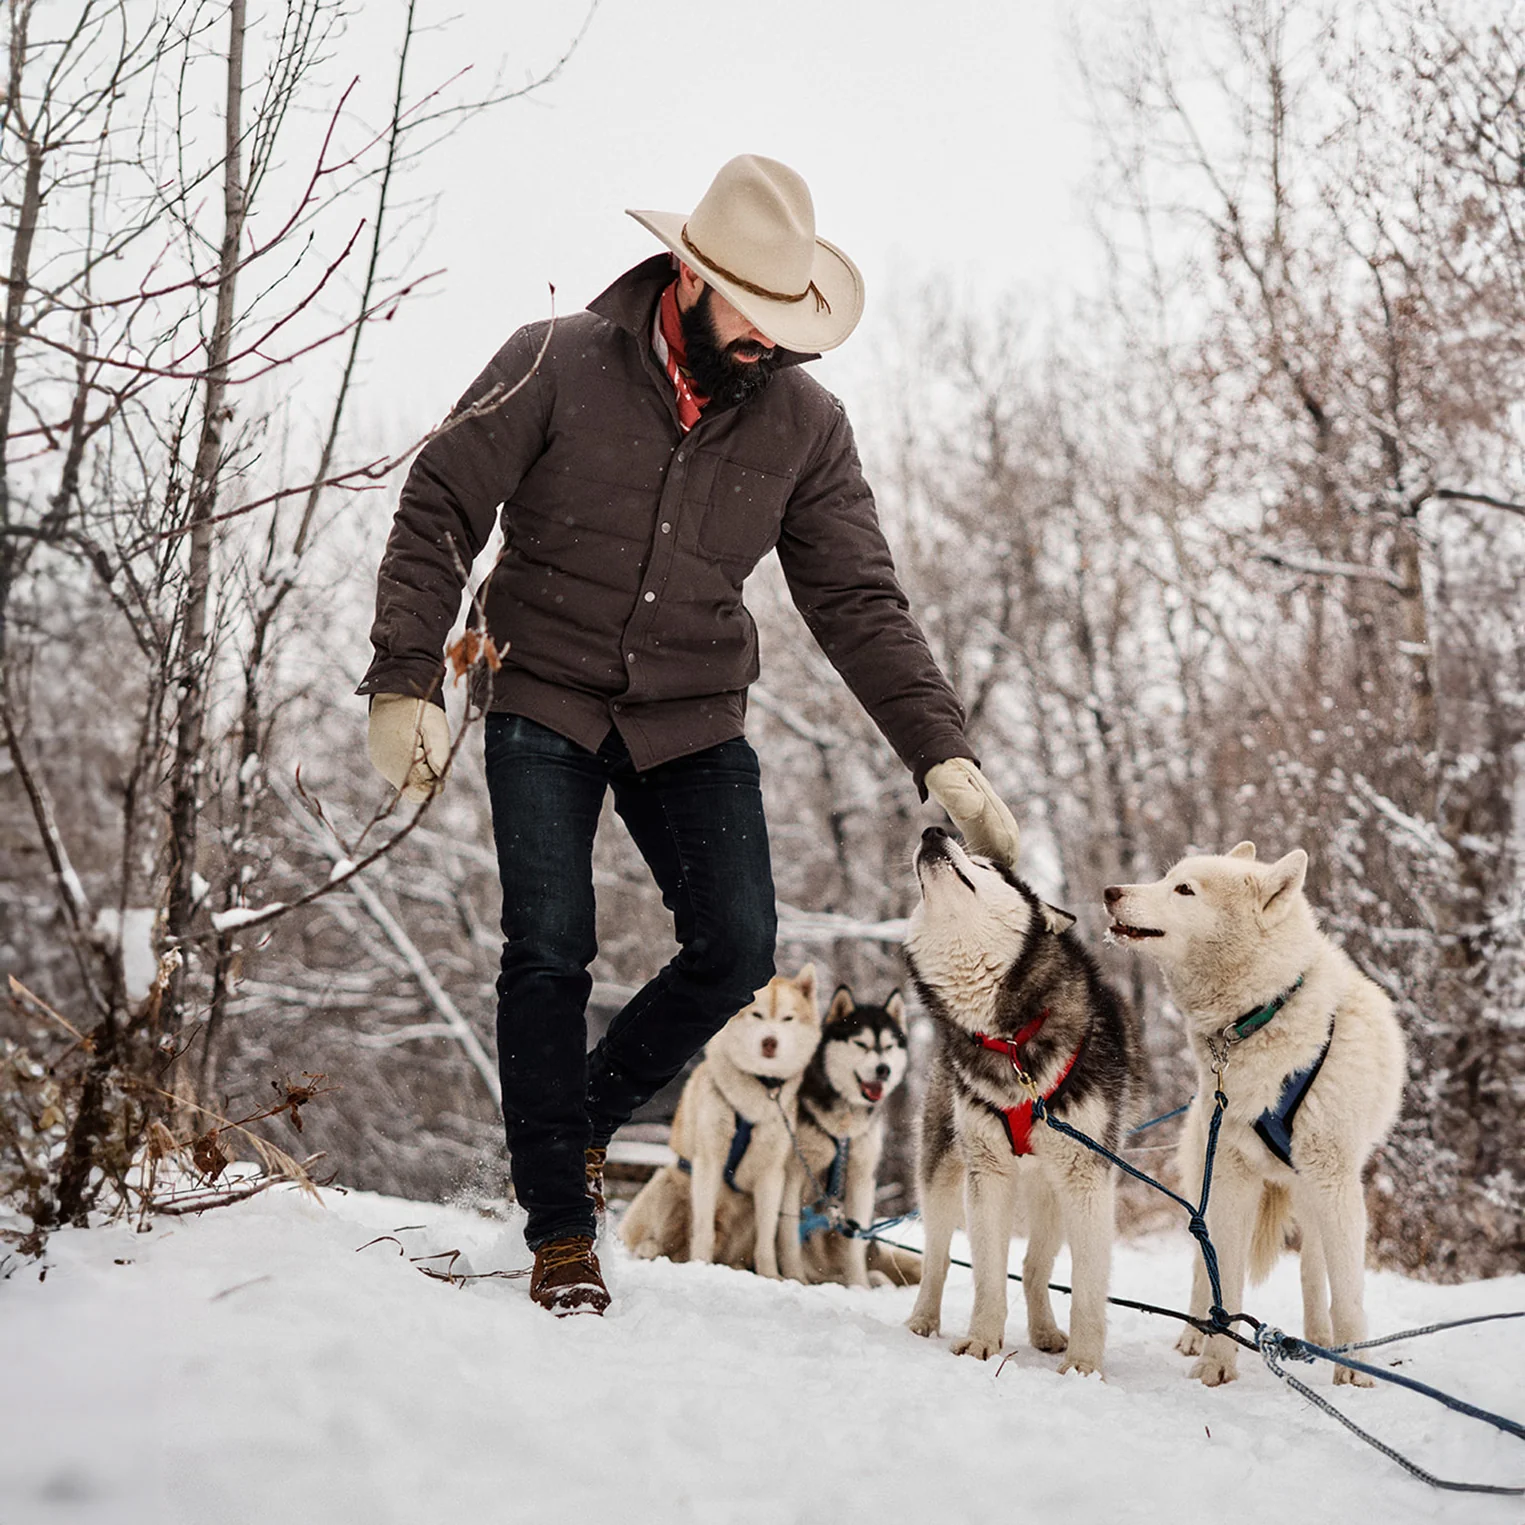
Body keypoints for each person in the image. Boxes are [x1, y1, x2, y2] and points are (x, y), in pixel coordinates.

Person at [360, 155, 1020, 1316]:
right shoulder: (552, 361)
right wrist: (404, 675)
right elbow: (440, 505)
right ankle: (562, 1226)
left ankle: (576, 1126)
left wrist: (941, 749)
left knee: (736, 943)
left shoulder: (806, 427)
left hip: (690, 713)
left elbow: (859, 599)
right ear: (689, 276)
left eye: (789, 322)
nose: (772, 342)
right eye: (754, 318)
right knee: (550, 944)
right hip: (542, 691)